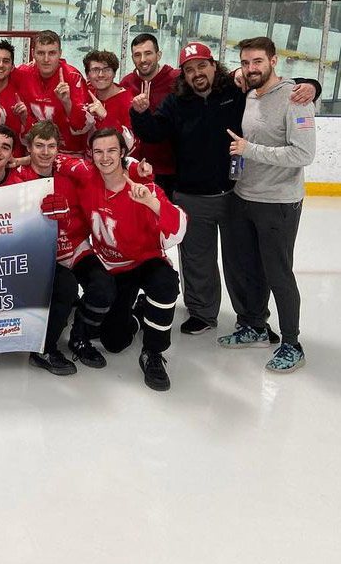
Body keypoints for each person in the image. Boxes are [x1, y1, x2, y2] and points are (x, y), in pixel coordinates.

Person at [130, 41, 319, 336]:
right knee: (196, 260)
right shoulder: (175, 101)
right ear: (184, 75)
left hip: (235, 195)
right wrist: (140, 114)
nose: (197, 73)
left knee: (241, 262)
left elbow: (273, 86)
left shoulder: (235, 91)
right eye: (190, 70)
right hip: (192, 196)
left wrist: (312, 85)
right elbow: (154, 133)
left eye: (202, 66)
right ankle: (202, 313)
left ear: (213, 65)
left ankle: (251, 318)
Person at [217, 37, 316, 373]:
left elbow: (304, 154)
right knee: (248, 269)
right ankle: (255, 326)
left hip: (278, 202)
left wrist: (251, 151)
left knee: (278, 273)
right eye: (245, 62)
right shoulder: (249, 93)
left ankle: (292, 343)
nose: (250, 68)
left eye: (257, 61)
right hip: (244, 196)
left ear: (274, 61)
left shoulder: (296, 98)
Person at [68, 129, 187, 391]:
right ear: (91, 155)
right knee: (114, 343)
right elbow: (56, 160)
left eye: (112, 150)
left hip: (145, 261)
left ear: (123, 153)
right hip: (115, 268)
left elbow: (178, 230)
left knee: (166, 283)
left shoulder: (144, 189)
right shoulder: (87, 180)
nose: (105, 157)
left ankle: (153, 353)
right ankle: (139, 313)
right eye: (98, 151)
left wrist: (154, 205)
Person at [18, 121, 114, 375]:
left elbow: (85, 214)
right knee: (67, 287)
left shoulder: (70, 179)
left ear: (58, 148)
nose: (45, 152)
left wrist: (67, 220)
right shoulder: (17, 179)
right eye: (39, 145)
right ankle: (44, 349)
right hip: (37, 255)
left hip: (72, 247)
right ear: (29, 147)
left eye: (51, 146)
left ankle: (80, 337)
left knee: (103, 285)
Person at [9, 30, 90, 155]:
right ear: (33, 54)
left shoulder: (73, 77)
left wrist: (67, 103)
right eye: (41, 53)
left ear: (60, 54)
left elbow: (83, 126)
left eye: (52, 53)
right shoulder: (23, 74)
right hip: (36, 152)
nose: (46, 59)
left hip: (69, 153)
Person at [120, 33, 178, 196]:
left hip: (171, 170)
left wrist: (237, 74)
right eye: (137, 55)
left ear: (158, 55)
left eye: (148, 53)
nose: (143, 59)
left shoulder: (176, 79)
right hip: (139, 168)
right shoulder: (127, 82)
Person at [82, 50, 134, 155]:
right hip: (88, 161)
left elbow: (130, 145)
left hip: (114, 165)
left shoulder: (128, 101)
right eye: (95, 70)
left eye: (107, 69)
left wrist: (106, 116)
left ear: (114, 73)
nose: (101, 74)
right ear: (87, 75)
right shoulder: (85, 93)